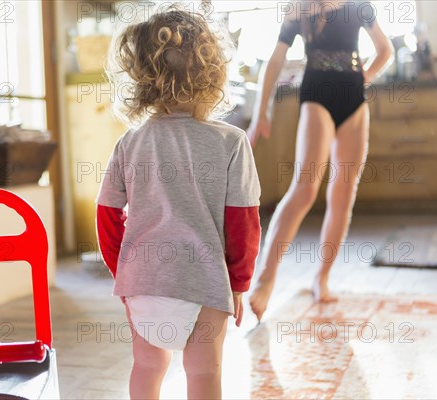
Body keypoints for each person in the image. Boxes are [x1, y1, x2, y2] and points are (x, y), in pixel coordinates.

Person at [96, 8, 261, 399]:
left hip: (142, 280)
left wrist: (125, 271)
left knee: (147, 367)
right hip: (204, 281)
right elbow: (243, 221)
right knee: (203, 373)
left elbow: (106, 214)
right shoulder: (231, 142)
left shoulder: (129, 142)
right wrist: (238, 282)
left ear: (141, 77)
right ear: (214, 73)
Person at [247, 0, 393, 321]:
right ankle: (266, 279)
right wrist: (261, 112)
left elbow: (385, 49)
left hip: (354, 103)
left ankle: (321, 278)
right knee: (305, 189)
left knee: (343, 194)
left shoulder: (359, 6)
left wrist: (363, 76)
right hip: (316, 98)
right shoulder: (300, 9)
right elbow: (276, 59)